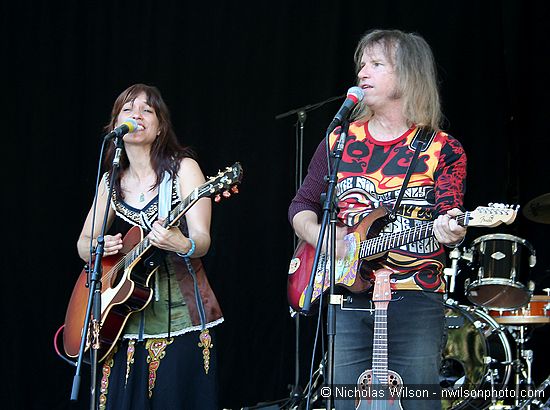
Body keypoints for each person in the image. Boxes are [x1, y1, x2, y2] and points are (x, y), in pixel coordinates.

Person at [288, 29, 467, 410]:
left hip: (415, 296)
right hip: (347, 295)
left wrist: (451, 231)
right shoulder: (339, 140)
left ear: (407, 75)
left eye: (376, 64)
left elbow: (450, 219)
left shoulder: (443, 149)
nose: (363, 73)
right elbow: (301, 206)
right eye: (362, 65)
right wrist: (324, 238)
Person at [77, 83, 223, 409]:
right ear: (115, 124)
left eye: (147, 110)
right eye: (127, 110)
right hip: (120, 324)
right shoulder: (111, 181)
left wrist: (180, 242)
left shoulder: (184, 169)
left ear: (160, 127)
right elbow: (83, 244)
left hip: (181, 319)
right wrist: (100, 245)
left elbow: (202, 241)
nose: (136, 115)